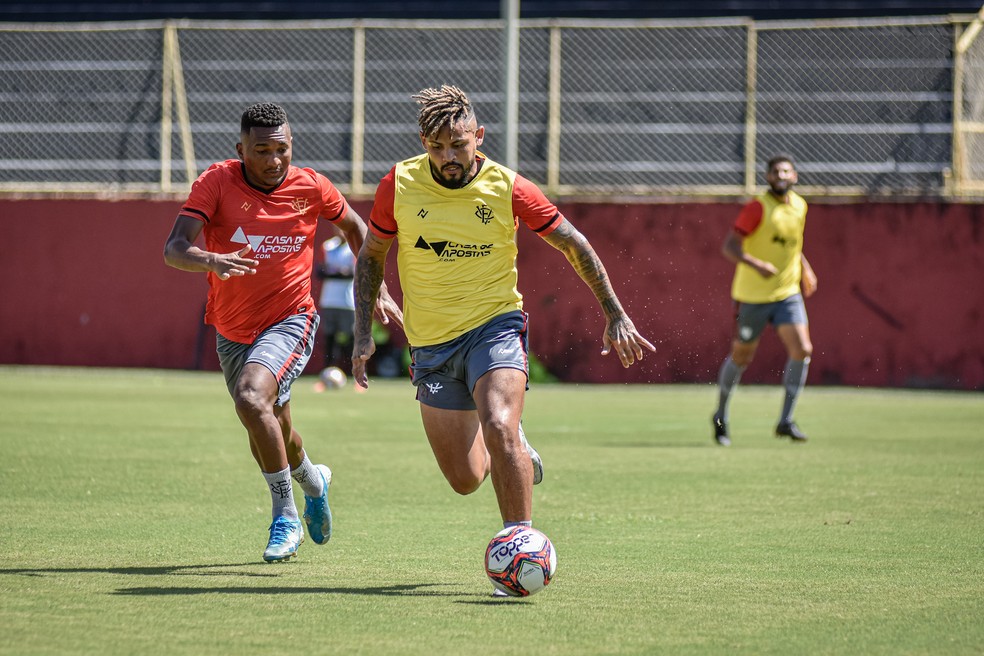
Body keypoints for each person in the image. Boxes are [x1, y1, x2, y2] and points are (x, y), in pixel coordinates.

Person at [351, 85, 655, 594]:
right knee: (465, 479)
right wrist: (363, 331)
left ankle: (520, 542)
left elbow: (573, 244)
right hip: (431, 344)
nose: (448, 156)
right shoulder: (398, 184)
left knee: (497, 422)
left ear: (480, 136)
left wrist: (615, 312)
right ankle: (511, 445)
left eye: (459, 144)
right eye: (437, 147)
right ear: (423, 143)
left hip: (495, 326)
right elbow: (372, 255)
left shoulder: (509, 187)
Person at [163, 103, 402, 562]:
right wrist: (212, 260)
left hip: (291, 319)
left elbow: (358, 230)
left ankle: (284, 516)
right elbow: (174, 248)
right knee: (270, 426)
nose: (274, 160)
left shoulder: (311, 186)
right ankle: (313, 481)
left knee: (252, 399)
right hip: (232, 328)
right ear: (241, 150)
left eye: (282, 149)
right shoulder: (216, 183)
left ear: (292, 145)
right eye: (262, 151)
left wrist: (378, 290)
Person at [711, 154, 817, 446]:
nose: (781, 176)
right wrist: (757, 265)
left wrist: (805, 268)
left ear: (794, 176)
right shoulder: (757, 208)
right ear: (768, 177)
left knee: (802, 349)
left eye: (786, 171)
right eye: (776, 172)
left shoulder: (800, 206)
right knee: (741, 357)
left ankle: (785, 421)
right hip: (752, 297)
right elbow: (730, 247)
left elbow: (792, 245)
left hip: (787, 294)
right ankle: (720, 416)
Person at [315, 234, 356, 378]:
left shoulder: (353, 247)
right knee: (330, 339)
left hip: (348, 302)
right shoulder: (327, 246)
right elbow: (319, 271)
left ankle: (355, 374)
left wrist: (332, 271)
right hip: (329, 300)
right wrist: (340, 271)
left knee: (351, 339)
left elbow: (353, 273)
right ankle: (327, 374)